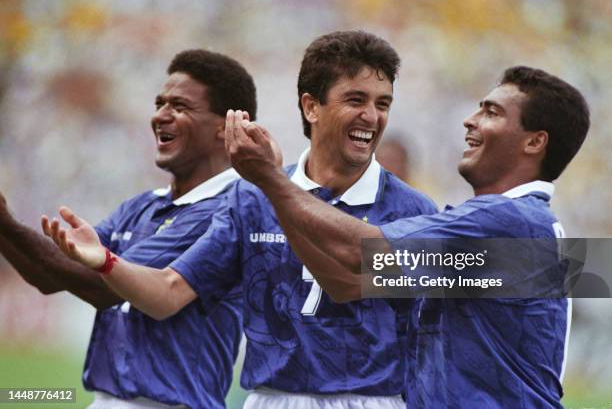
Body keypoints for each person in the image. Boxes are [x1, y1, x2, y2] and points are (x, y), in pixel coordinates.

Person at [43, 31, 437, 408]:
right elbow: (169, 293)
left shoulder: (413, 210)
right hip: (271, 399)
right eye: (356, 100)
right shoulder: (250, 198)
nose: (371, 116)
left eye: (382, 104)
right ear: (311, 106)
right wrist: (106, 261)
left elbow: (370, 296)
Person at [221, 66, 590, 408]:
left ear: (534, 142)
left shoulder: (509, 222)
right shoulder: (515, 231)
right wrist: (275, 189)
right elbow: (348, 283)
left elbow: (359, 250)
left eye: (492, 113)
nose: (470, 120)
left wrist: (270, 179)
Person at [0, 49, 257, 409]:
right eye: (160, 103)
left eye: (180, 107)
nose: (160, 116)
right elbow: (52, 274)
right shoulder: (141, 207)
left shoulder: (227, 210)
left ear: (225, 126)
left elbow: (105, 287)